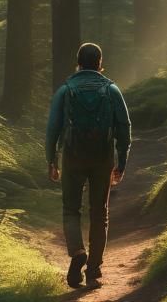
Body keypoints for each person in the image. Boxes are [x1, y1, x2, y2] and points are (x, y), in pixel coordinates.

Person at [45, 42, 132, 289]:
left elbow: (53, 129)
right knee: (99, 213)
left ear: (78, 63)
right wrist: (122, 162)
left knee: (71, 210)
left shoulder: (66, 90)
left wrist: (51, 160)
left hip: (72, 156)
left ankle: (77, 252)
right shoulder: (111, 90)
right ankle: (93, 272)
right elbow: (124, 129)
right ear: (100, 63)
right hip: (102, 157)